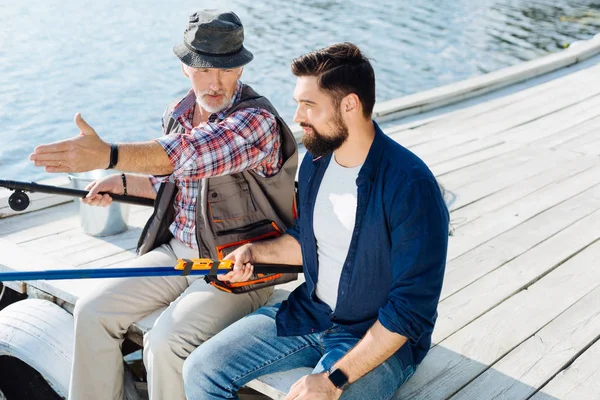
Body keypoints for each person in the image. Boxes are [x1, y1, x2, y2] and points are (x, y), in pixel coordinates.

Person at [30, 10, 298, 400]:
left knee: (166, 342)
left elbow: (190, 155)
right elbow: (168, 181)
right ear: (184, 66)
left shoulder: (257, 122)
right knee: (91, 312)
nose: (215, 81)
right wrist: (120, 181)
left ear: (240, 69)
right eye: (203, 68)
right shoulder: (177, 114)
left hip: (241, 266)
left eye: (226, 69)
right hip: (177, 253)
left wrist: (108, 153)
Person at [181, 42, 449, 400]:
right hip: (310, 314)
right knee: (200, 370)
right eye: (298, 103)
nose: (297, 116)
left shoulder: (410, 186)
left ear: (350, 105)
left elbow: (409, 312)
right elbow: (307, 238)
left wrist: (333, 380)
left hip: (377, 336)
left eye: (308, 105)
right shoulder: (317, 162)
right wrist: (253, 252)